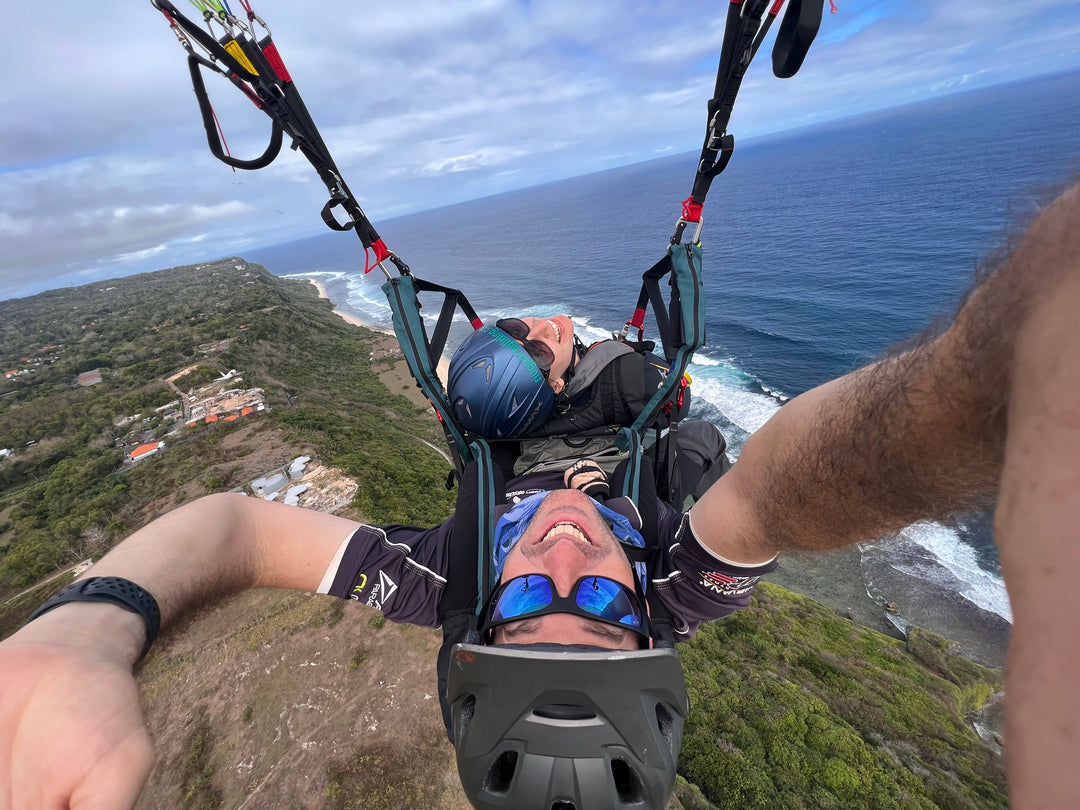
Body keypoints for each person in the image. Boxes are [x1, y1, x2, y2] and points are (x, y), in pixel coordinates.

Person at [0, 180, 1077, 809]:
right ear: (648, 622)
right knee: (674, 420)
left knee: (483, 393)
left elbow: (236, 528)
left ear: (480, 624)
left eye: (529, 607)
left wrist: (92, 629)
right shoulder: (681, 578)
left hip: (517, 423)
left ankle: (529, 371)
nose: (566, 553)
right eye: (604, 608)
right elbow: (799, 483)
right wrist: (990, 377)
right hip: (631, 413)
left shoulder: (443, 580)